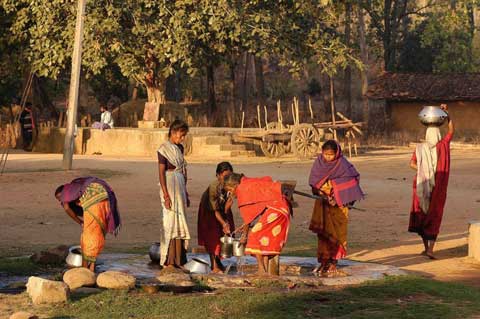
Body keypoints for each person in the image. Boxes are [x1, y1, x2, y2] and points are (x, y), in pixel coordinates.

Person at [308, 140, 364, 277]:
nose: (327, 157)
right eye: (325, 154)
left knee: (338, 234)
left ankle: (334, 261)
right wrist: (321, 193)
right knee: (323, 234)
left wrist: (338, 197)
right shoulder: (318, 163)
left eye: (331, 155)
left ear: (337, 153)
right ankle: (324, 260)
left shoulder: (343, 165)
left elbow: (352, 184)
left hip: (339, 207)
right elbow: (314, 184)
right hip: (322, 204)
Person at [408, 104, 454, 259]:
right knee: (434, 215)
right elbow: (451, 132)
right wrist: (447, 115)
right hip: (437, 187)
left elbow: (412, 164)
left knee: (422, 215)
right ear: (438, 134)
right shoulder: (443, 145)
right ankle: (430, 250)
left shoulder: (420, 148)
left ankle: (426, 248)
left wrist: (424, 171)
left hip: (421, 186)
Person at [223, 173, 291, 275]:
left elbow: (248, 218)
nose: (230, 193)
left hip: (276, 210)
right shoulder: (247, 182)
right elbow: (256, 209)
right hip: (281, 208)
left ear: (234, 185)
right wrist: (244, 226)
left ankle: (261, 270)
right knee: (263, 238)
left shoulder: (242, 190)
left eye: (230, 190)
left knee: (254, 235)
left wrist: (245, 236)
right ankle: (264, 269)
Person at [55, 177, 121, 271]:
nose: (61, 201)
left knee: (88, 236)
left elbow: (66, 208)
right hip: (105, 199)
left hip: (94, 202)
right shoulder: (75, 189)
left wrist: (80, 222)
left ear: (63, 193)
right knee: (97, 232)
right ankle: (91, 266)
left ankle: (85, 269)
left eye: (60, 198)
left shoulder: (67, 193)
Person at [158, 120, 190, 270]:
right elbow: (161, 173)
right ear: (174, 132)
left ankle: (179, 260)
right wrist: (165, 195)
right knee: (170, 221)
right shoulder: (163, 149)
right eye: (181, 135)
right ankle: (168, 260)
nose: (182, 138)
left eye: (184, 136)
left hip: (180, 187)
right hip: (169, 186)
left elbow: (183, 170)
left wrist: (186, 193)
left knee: (180, 220)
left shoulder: (180, 148)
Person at [197, 162, 235, 273]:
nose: (227, 179)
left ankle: (218, 262)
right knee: (212, 237)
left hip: (222, 208)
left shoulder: (230, 185)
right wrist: (223, 223)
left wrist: (226, 214)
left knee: (225, 233)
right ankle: (214, 265)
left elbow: (227, 205)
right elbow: (215, 210)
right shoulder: (213, 188)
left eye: (229, 176)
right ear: (218, 175)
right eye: (224, 176)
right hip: (209, 211)